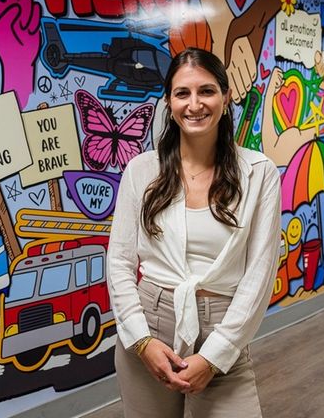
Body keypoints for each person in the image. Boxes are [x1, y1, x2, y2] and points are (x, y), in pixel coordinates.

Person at [107, 47, 281, 417]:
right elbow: (119, 262)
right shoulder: (141, 171)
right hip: (150, 325)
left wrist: (215, 355)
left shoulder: (260, 172)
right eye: (182, 93)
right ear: (169, 101)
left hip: (224, 327)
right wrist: (141, 341)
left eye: (206, 91)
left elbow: (259, 275)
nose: (194, 104)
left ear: (226, 96)